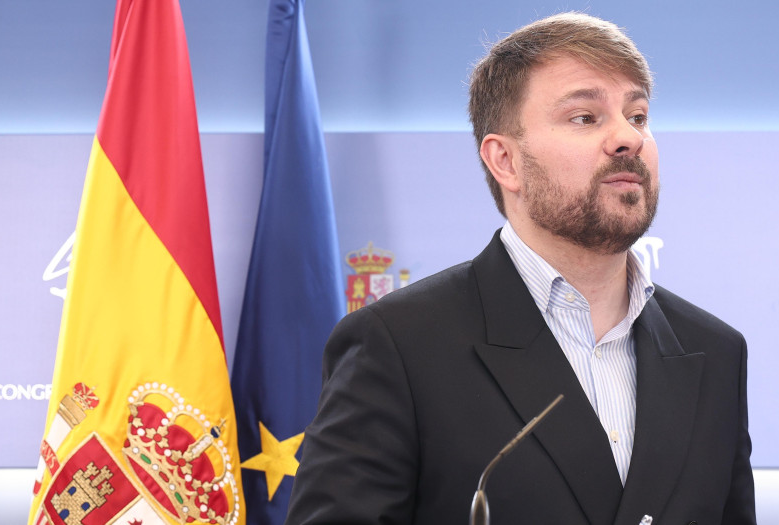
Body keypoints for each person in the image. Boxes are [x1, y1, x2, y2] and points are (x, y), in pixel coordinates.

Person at [286, 13, 755, 525]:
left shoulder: (715, 352)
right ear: (505, 161)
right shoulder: (398, 345)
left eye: (638, 116)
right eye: (585, 117)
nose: (628, 138)